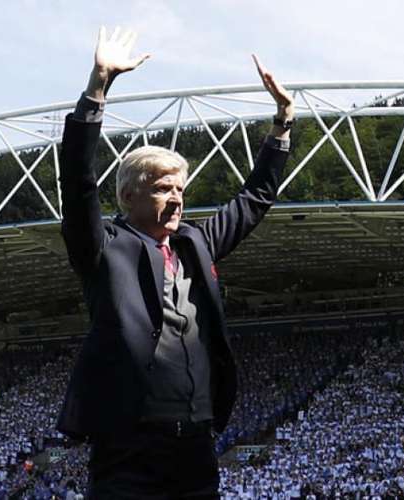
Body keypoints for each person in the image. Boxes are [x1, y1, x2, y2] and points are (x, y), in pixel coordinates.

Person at [55, 26, 294, 498]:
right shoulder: (105, 247)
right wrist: (97, 88)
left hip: (196, 444)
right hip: (129, 445)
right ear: (127, 196)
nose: (176, 199)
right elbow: (77, 184)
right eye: (163, 188)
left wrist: (282, 123)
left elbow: (254, 199)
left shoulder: (195, 243)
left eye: (180, 189)